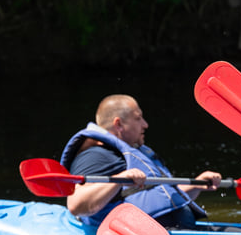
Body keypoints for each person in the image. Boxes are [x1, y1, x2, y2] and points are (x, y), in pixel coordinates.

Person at [59, 94, 223, 228]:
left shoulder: (131, 153)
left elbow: (159, 198)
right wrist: (119, 179)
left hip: (175, 232)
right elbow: (76, 205)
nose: (145, 124)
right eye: (138, 118)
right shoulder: (96, 155)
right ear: (119, 124)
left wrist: (196, 184)